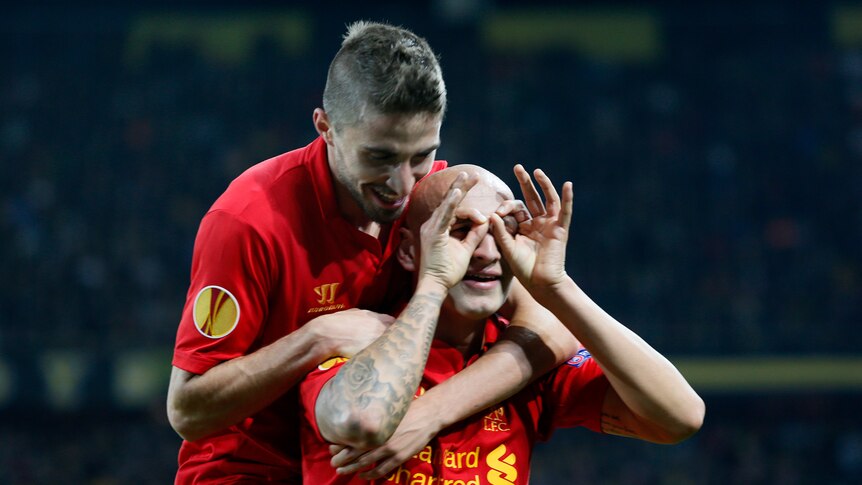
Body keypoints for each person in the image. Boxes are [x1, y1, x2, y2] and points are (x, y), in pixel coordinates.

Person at [167, 22, 576, 483]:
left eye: (421, 155)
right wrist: (315, 339)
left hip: (368, 460)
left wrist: (431, 414)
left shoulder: (434, 201)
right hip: (251, 471)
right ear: (326, 127)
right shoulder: (249, 221)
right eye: (380, 157)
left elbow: (555, 327)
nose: (402, 184)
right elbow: (188, 410)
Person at [300, 165, 705, 484]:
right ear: (409, 249)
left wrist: (557, 287)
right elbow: (361, 420)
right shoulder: (357, 338)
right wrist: (435, 283)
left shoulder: (528, 362)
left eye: (503, 230)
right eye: (462, 231)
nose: (488, 252)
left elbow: (679, 416)